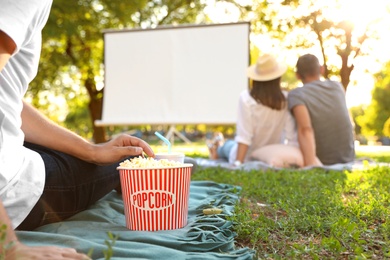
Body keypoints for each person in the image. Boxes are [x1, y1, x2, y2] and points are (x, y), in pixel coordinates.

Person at [0, 0, 155, 259]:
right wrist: (7, 245)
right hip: (11, 188)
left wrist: (91, 151)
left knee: (110, 154)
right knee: (130, 155)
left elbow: (9, 101)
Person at [208, 54, 304, 168]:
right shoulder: (285, 100)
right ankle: (218, 146)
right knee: (228, 146)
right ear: (277, 78)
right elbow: (291, 136)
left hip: (246, 154)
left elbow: (244, 136)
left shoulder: (246, 98)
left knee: (228, 146)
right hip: (269, 153)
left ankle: (217, 146)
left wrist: (238, 162)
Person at [288, 54, 355, 166]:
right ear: (321, 69)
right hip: (348, 159)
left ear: (297, 75)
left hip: (322, 161)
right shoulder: (337, 87)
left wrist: (310, 167)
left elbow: (305, 130)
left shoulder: (296, 95)